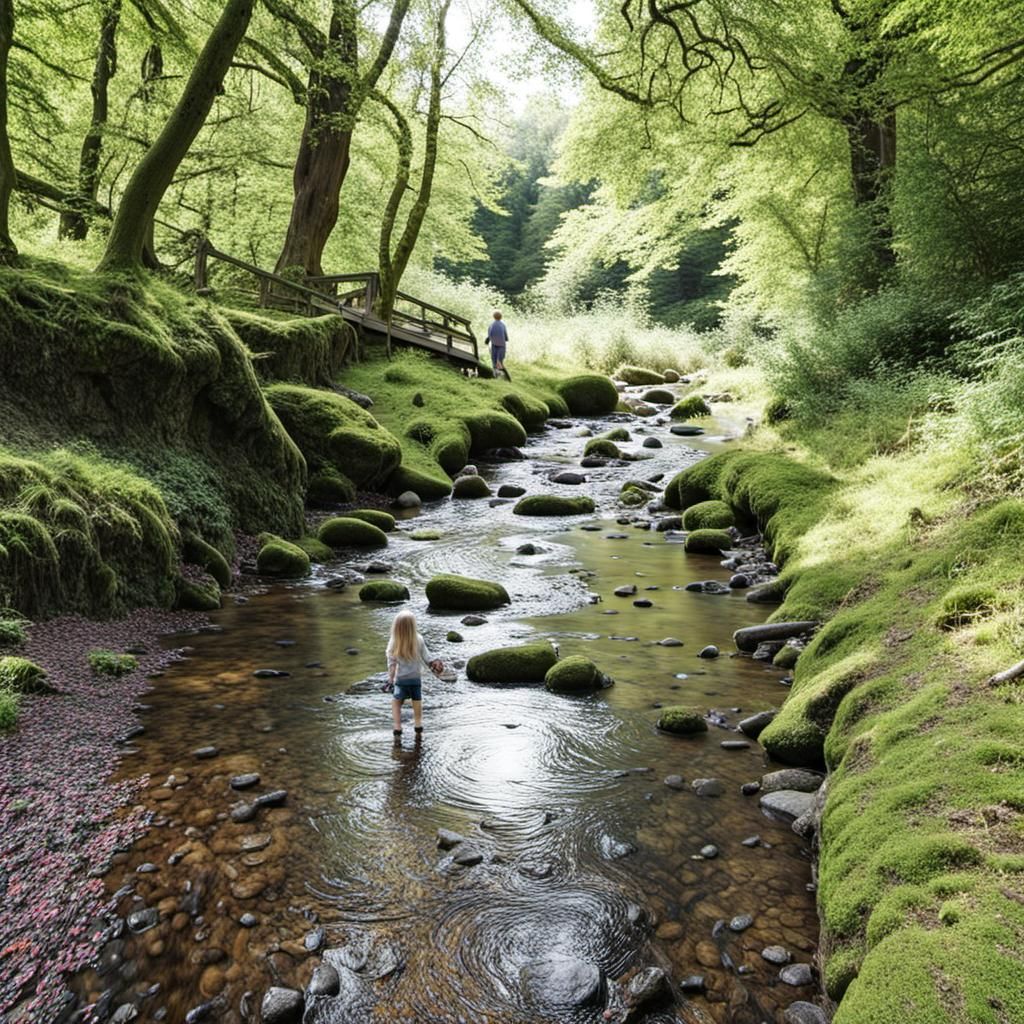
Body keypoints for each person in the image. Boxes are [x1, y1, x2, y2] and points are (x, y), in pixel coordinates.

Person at [385, 610, 443, 737]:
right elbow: (427, 657)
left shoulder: (394, 641)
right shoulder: (419, 639)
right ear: (413, 626)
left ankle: (397, 726)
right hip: (415, 678)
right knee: (417, 700)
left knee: (396, 701)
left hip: (401, 679)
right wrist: (434, 663)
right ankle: (418, 724)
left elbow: (391, 662)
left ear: (396, 626)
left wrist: (390, 679)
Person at [486, 310, 508, 377]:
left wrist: (488, 339)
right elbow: (505, 334)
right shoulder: (503, 325)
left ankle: (495, 372)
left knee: (494, 358)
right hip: (502, 344)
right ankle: (501, 371)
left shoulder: (491, 325)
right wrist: (506, 339)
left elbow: (489, 333)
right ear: (501, 317)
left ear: (493, 317)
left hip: (494, 343)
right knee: (500, 358)